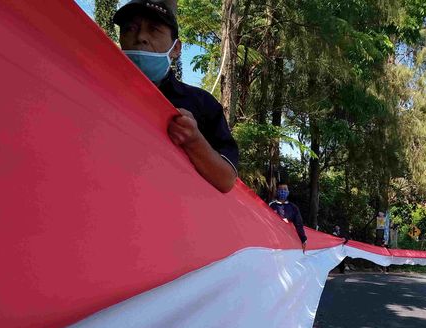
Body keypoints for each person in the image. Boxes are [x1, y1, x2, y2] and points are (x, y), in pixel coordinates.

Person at [113, 0, 238, 193]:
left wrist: (194, 141)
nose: (140, 37)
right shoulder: (90, 84)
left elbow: (226, 180)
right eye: (130, 28)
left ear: (176, 48)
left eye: (154, 29)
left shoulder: (202, 104)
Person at [269, 182, 307, 252]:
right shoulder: (271, 206)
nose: (283, 191)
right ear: (277, 191)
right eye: (280, 189)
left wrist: (303, 239)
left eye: (285, 189)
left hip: (287, 241)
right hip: (273, 240)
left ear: (288, 192)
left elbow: (299, 224)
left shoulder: (293, 207)